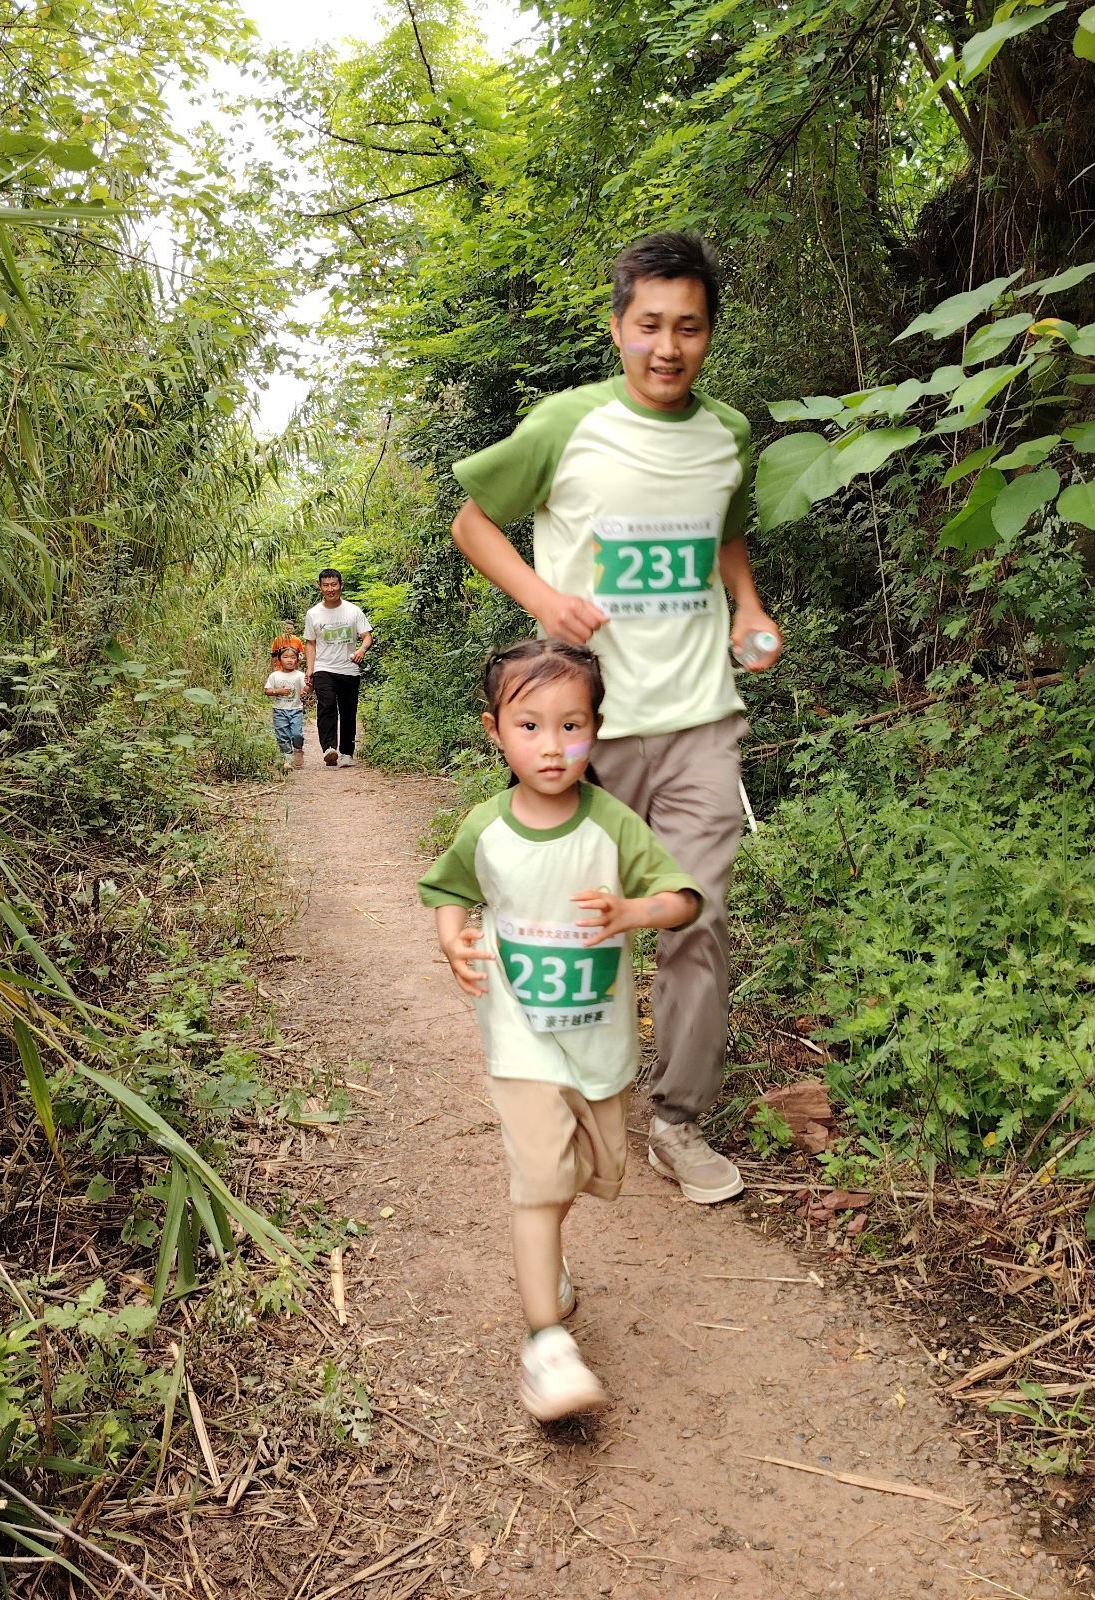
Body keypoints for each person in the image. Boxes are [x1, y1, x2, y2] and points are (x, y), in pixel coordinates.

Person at [447, 232, 782, 1206]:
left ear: (710, 333)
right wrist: (545, 602)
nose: (667, 347)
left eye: (688, 328)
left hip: (700, 723)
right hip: (582, 731)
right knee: (570, 924)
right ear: (617, 327)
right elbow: (471, 521)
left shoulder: (727, 433)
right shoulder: (566, 425)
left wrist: (749, 606)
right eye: (648, 326)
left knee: (696, 922)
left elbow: (725, 532)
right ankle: (564, 1100)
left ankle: (677, 1120)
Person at [419, 641, 702, 1419]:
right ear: (495, 731)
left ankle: (550, 1265)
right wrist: (453, 939)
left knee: (581, 1174)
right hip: (520, 1041)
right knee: (539, 1182)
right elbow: (448, 885)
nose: (551, 745)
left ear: (595, 729)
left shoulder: (612, 825)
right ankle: (546, 1343)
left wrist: (632, 911)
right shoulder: (487, 828)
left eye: (570, 725)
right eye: (530, 726)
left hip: (598, 1047)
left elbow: (681, 897)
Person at [304, 568, 372, 768]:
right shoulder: (313, 613)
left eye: (334, 584)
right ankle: (329, 749)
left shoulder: (353, 610)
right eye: (326, 585)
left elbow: (367, 635)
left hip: (349, 668)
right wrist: (310, 669)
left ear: (341, 585)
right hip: (323, 667)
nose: (330, 589)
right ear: (320, 587)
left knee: (348, 710)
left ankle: (347, 753)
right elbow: (310, 643)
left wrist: (362, 649)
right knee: (326, 705)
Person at [263, 644, 310, 771]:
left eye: (293, 657)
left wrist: (310, 686)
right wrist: (277, 691)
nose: (289, 660)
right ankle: (287, 758)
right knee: (282, 735)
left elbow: (306, 689)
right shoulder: (274, 676)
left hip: (296, 710)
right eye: (285, 657)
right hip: (279, 710)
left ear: (297, 660)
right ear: (279, 660)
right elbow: (267, 691)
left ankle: (298, 750)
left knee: (297, 734)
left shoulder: (299, 675)